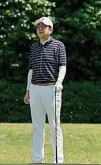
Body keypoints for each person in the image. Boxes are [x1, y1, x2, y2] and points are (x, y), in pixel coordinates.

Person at [23, 17, 67, 163]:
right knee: (37, 126)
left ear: (51, 29)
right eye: (38, 27)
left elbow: (62, 66)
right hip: (35, 89)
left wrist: (59, 82)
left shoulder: (59, 45)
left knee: (55, 126)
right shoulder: (34, 47)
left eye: (44, 26)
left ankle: (57, 160)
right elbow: (31, 69)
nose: (40, 28)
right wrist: (28, 90)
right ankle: (37, 159)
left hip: (52, 89)